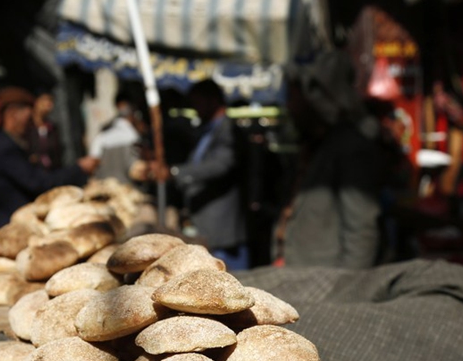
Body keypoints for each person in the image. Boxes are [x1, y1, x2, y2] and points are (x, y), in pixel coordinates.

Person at [275, 51, 385, 269]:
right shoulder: (318, 145)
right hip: (300, 275)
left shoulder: (350, 147)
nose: (289, 107)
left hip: (327, 283)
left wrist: (348, 292)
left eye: (293, 98)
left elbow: (361, 232)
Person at [152, 79, 249, 270]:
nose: (194, 108)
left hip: (222, 227)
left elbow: (220, 165)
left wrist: (174, 172)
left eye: (197, 102)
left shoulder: (228, 130)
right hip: (203, 222)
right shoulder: (204, 131)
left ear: (212, 100)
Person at [0, 86, 99, 236]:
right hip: (9, 228)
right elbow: (37, 183)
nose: (29, 124)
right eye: (28, 118)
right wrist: (78, 169)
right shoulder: (4, 148)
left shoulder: (0, 143)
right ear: (12, 114)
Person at [88, 92, 143, 184]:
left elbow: (92, 162)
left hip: (105, 188)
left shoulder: (102, 134)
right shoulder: (133, 135)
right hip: (127, 189)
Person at [26, 90, 63, 170]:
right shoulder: (27, 127)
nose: (49, 104)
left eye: (51, 100)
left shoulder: (52, 128)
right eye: (45, 99)